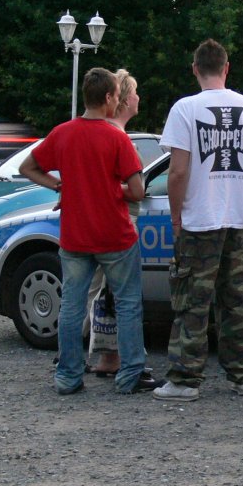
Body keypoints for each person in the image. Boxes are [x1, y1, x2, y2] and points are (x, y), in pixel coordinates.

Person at [151, 39, 243, 402]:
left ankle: (185, 380)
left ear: (195, 69)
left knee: (192, 299)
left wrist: (176, 218)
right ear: (226, 68)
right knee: (236, 298)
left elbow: (177, 172)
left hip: (199, 218)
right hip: (239, 216)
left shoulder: (185, 108)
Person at [20, 67, 149, 395]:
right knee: (128, 304)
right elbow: (137, 191)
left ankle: (68, 376)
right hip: (115, 236)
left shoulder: (62, 133)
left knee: (72, 305)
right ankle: (129, 376)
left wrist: (59, 185)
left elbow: (27, 167)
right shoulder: (117, 138)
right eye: (116, 96)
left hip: (75, 236)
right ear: (108, 98)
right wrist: (112, 189)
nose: (117, 102)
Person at [83, 69, 160, 390]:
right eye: (136, 93)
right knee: (117, 295)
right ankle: (117, 360)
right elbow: (134, 189)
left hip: (97, 223)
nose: (140, 98)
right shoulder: (117, 138)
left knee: (99, 292)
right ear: (124, 99)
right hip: (118, 223)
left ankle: (101, 356)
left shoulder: (102, 133)